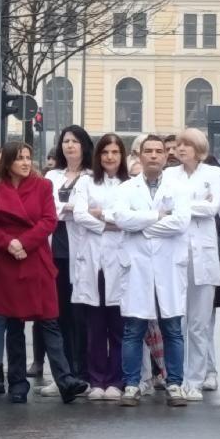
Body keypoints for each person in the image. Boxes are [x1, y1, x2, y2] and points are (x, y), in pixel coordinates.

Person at [0, 143, 89, 404]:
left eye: (29, 157)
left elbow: (48, 220)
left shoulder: (43, 186)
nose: (26, 163)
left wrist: (24, 243)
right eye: (20, 158)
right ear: (8, 162)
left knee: (49, 321)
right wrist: (8, 243)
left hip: (35, 258)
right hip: (7, 261)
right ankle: (17, 383)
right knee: (13, 323)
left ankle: (65, 379)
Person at [109, 135, 191, 407]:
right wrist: (157, 217)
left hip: (168, 264)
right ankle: (131, 385)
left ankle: (175, 384)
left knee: (172, 327)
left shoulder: (178, 187)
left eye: (159, 151)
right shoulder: (126, 188)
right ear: (140, 156)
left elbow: (180, 223)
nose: (154, 155)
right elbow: (121, 218)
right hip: (137, 265)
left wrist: (140, 224)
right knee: (134, 327)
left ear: (166, 157)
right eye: (148, 151)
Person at [70, 133, 129, 400]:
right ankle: (96, 380)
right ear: (98, 155)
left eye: (115, 152)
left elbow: (131, 218)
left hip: (121, 261)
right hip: (93, 262)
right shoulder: (85, 182)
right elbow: (80, 214)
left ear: (122, 156)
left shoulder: (131, 184)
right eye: (105, 152)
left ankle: (117, 380)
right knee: (95, 326)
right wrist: (111, 223)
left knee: (119, 326)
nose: (110, 157)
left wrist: (102, 215)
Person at [167, 128, 220, 398]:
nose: (180, 149)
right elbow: (164, 208)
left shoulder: (214, 174)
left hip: (204, 256)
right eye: (179, 145)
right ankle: (176, 376)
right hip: (176, 253)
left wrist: (181, 207)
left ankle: (196, 379)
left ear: (198, 148)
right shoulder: (169, 175)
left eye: (187, 145)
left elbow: (212, 209)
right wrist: (194, 204)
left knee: (199, 324)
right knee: (176, 321)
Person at [42, 126, 93, 393]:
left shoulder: (93, 177)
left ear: (84, 145)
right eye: (65, 141)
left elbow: (92, 211)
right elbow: (48, 208)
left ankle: (83, 371)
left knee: (81, 316)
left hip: (83, 250)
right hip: (55, 251)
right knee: (58, 314)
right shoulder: (52, 175)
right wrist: (74, 207)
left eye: (74, 141)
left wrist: (74, 209)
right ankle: (62, 375)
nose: (69, 146)